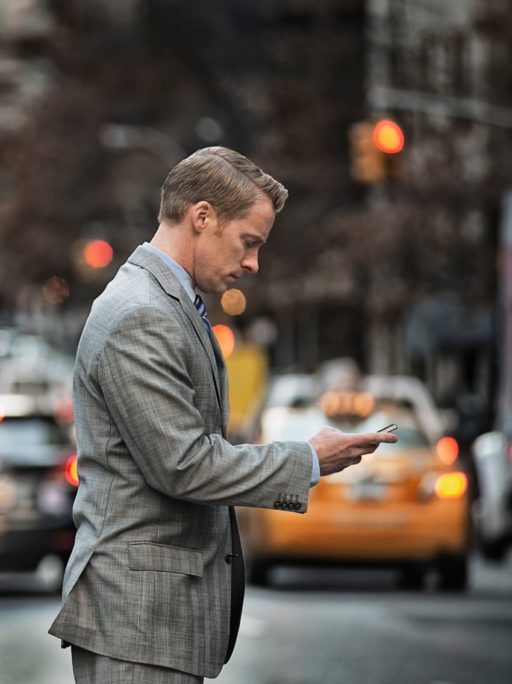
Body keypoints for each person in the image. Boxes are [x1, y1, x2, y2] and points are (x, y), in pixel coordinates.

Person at [48, 146, 397, 683]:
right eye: (249, 243)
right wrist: (308, 459)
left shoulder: (167, 304)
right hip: (139, 621)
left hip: (150, 620)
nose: (254, 263)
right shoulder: (142, 313)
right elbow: (183, 465)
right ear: (202, 216)